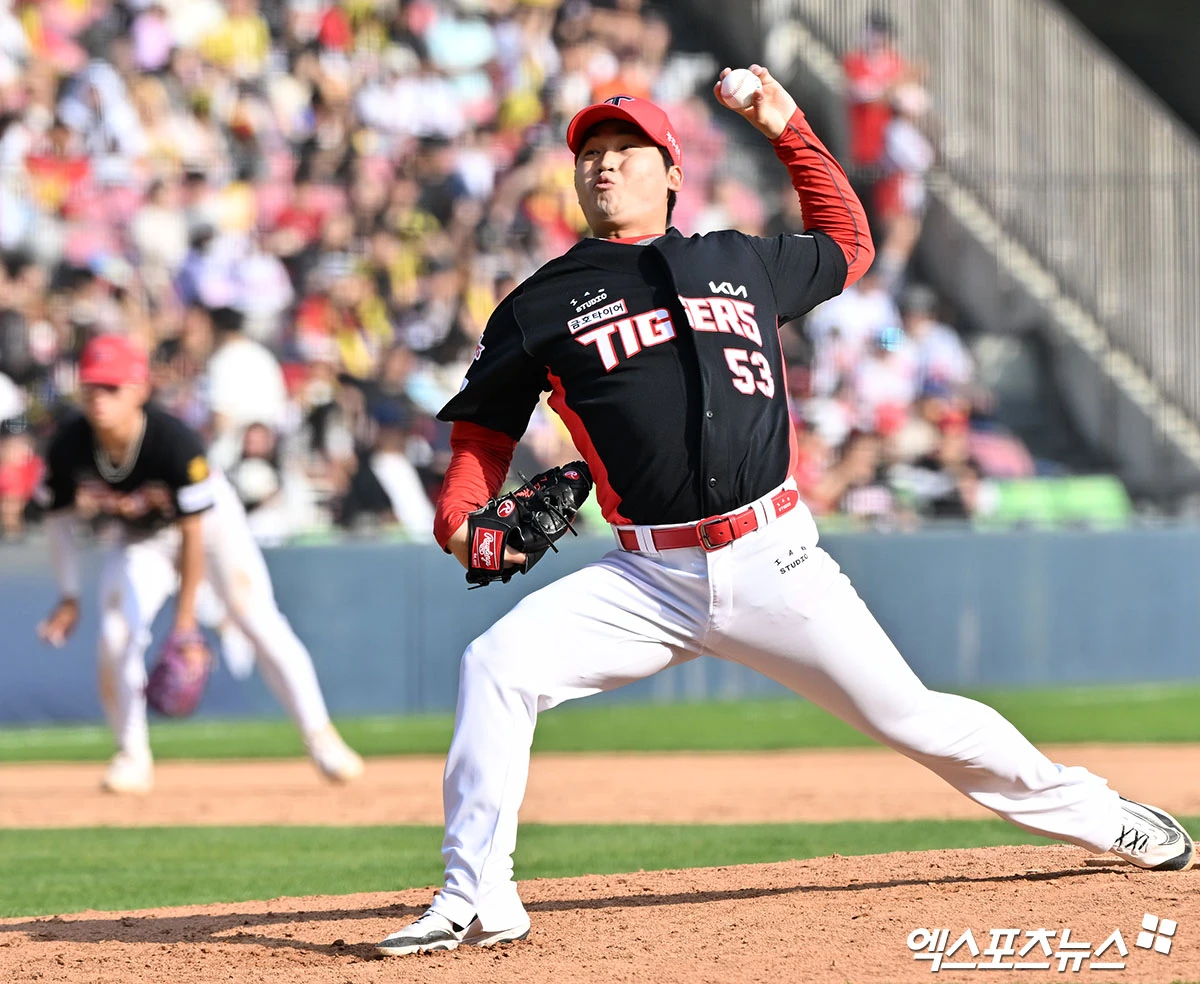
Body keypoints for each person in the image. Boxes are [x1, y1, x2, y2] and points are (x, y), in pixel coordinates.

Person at [375, 67, 1193, 957]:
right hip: (649, 577)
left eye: (627, 150)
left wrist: (788, 127)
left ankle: (1101, 816)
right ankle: (477, 896)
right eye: (591, 154)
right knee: (496, 665)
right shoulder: (540, 304)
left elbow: (849, 244)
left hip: (775, 559)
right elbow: (483, 430)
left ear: (673, 172)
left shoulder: (739, 260)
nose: (604, 165)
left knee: (915, 719)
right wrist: (460, 519)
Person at [35, 334, 363, 794]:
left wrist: (185, 621)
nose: (99, 398)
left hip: (211, 527)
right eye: (92, 387)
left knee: (257, 619)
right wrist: (69, 594)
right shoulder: (70, 444)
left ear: (139, 389)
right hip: (142, 540)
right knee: (115, 634)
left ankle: (322, 738)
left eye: (111, 387)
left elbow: (194, 533)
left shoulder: (172, 440)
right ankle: (131, 755)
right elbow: (57, 519)